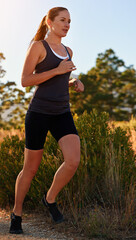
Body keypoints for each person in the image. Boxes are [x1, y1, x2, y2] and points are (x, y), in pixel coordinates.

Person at [9, 7, 84, 234]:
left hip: (62, 112)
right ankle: (17, 213)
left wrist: (74, 82)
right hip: (39, 113)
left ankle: (49, 198)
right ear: (50, 22)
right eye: (62, 20)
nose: (67, 24)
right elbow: (25, 80)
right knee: (30, 169)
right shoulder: (38, 47)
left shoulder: (68, 51)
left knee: (73, 161)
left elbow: (60, 79)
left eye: (69, 21)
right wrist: (58, 70)